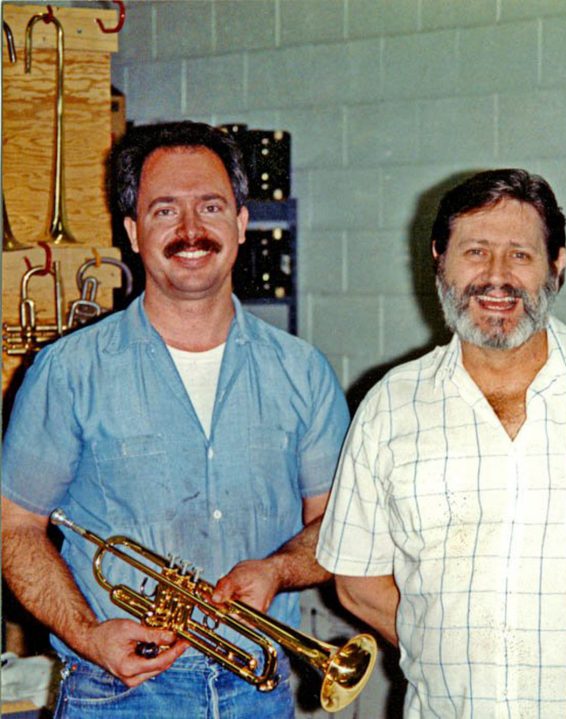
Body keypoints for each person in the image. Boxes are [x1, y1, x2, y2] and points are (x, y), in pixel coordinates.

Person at [316, 168, 566, 717]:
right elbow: (358, 578)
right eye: (475, 252)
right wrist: (450, 657)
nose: (496, 278)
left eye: (520, 256)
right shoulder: (390, 406)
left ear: (557, 264)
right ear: (439, 258)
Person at [1, 121, 350, 717]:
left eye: (210, 207)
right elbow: (14, 529)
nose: (191, 231)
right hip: (117, 692)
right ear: (134, 232)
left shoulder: (304, 373)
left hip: (258, 691)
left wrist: (278, 569)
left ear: (241, 223)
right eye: (165, 212)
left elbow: (339, 527)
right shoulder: (68, 371)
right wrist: (88, 635)